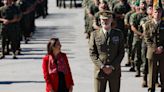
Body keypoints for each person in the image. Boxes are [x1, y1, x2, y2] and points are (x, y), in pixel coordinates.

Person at [89, 10, 125, 92]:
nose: (105, 21)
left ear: (111, 20)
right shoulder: (94, 34)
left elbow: (121, 52)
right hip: (100, 71)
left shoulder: (118, 34)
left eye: (108, 19)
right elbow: (92, 53)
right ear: (100, 20)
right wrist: (102, 66)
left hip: (114, 70)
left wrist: (112, 66)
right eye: (103, 19)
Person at [144, 4, 164, 92]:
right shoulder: (148, 24)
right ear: (152, 13)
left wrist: (162, 47)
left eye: (159, 12)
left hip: (163, 51)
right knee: (152, 72)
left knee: (163, 71)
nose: (157, 14)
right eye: (155, 12)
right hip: (152, 51)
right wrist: (155, 48)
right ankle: (151, 89)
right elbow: (147, 38)